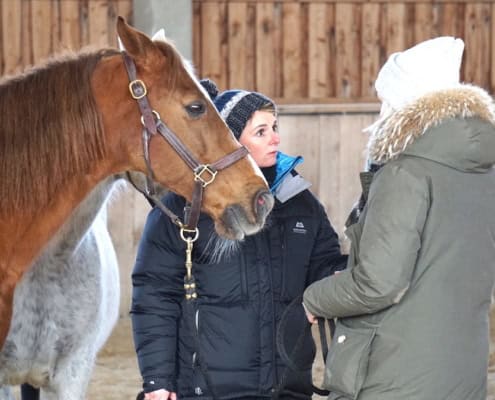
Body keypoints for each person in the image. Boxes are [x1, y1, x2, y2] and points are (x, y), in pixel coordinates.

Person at [303, 36, 495, 400]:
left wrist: (315, 298)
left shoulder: (405, 173)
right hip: (461, 371)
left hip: (396, 377)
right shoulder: (482, 172)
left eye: (385, 101)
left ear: (404, 103)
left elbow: (379, 283)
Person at [130, 81, 346, 400]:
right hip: (208, 389)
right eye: (261, 131)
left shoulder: (300, 203)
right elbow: (154, 297)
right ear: (230, 141)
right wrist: (157, 380)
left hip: (286, 384)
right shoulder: (182, 209)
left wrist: (340, 277)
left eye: (274, 127)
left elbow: (326, 267)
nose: (276, 138)